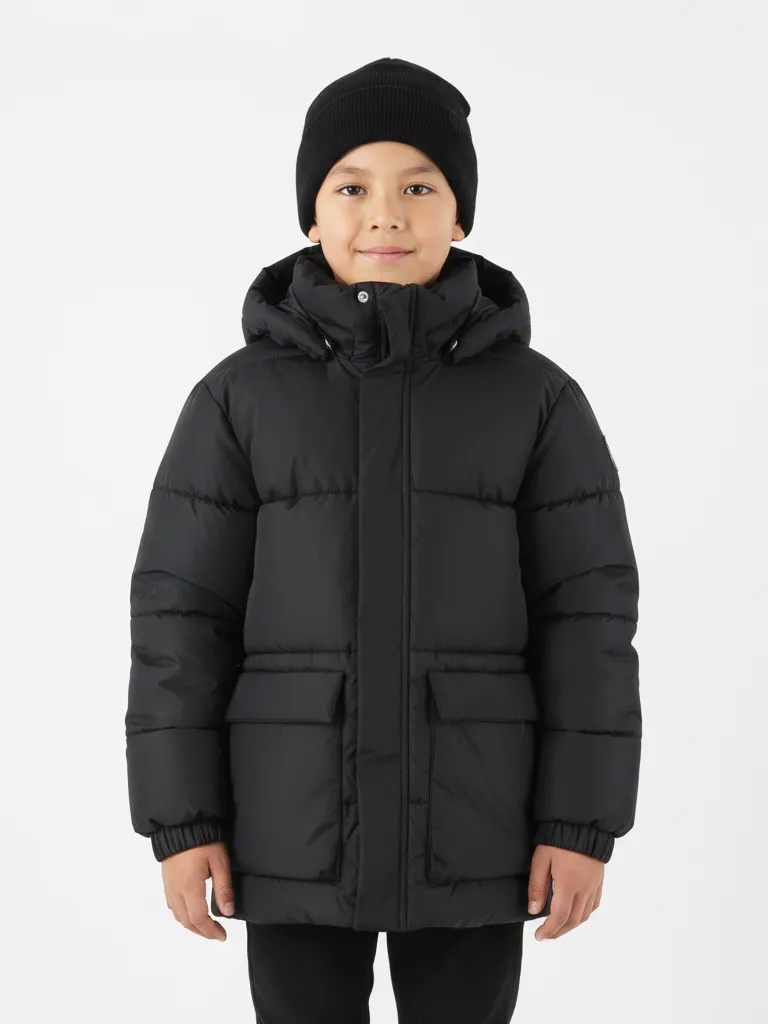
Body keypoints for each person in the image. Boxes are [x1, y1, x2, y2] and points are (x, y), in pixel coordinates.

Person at [125, 57, 641, 1023]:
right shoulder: (237, 399)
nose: (386, 215)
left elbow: (589, 619)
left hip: (475, 825)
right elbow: (180, 618)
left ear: (461, 214)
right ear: (311, 214)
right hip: (290, 826)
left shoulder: (538, 402)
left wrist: (580, 822)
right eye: (352, 187)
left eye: (420, 186)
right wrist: (183, 821)